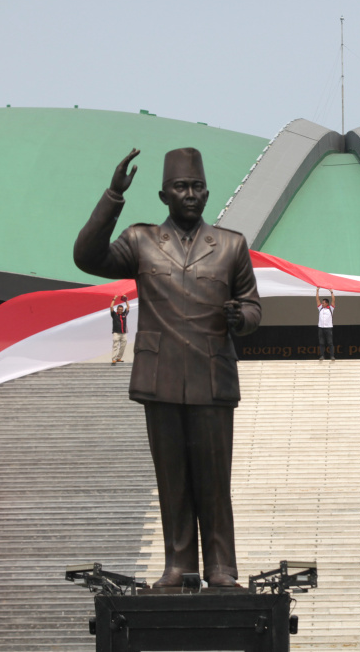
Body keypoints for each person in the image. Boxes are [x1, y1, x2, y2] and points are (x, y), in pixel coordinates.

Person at [74, 147, 261, 588]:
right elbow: (86, 257)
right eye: (181, 187)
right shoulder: (141, 241)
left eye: (197, 187)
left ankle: (221, 567)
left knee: (214, 482)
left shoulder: (231, 245)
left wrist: (241, 317)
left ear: (207, 192)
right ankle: (179, 565)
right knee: (172, 480)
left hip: (211, 376)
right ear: (164, 195)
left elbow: (253, 306)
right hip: (160, 378)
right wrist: (112, 197)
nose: (190, 194)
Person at [316, 287, 336, 361]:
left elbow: (333, 300)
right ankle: (322, 356)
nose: (322, 303)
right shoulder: (320, 308)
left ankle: (332, 356)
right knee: (321, 343)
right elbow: (317, 299)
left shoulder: (331, 308)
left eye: (323, 303)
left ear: (327, 303)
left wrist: (331, 292)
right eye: (322, 303)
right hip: (321, 327)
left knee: (330, 342)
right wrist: (317, 291)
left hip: (328, 328)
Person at [110, 294, 130, 364]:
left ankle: (119, 358)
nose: (120, 310)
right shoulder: (114, 315)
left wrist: (126, 300)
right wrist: (114, 299)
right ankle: (114, 359)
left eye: (121, 309)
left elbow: (128, 307)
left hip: (123, 333)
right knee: (115, 345)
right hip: (116, 333)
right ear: (117, 310)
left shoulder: (124, 314)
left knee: (123, 346)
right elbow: (111, 307)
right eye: (119, 309)